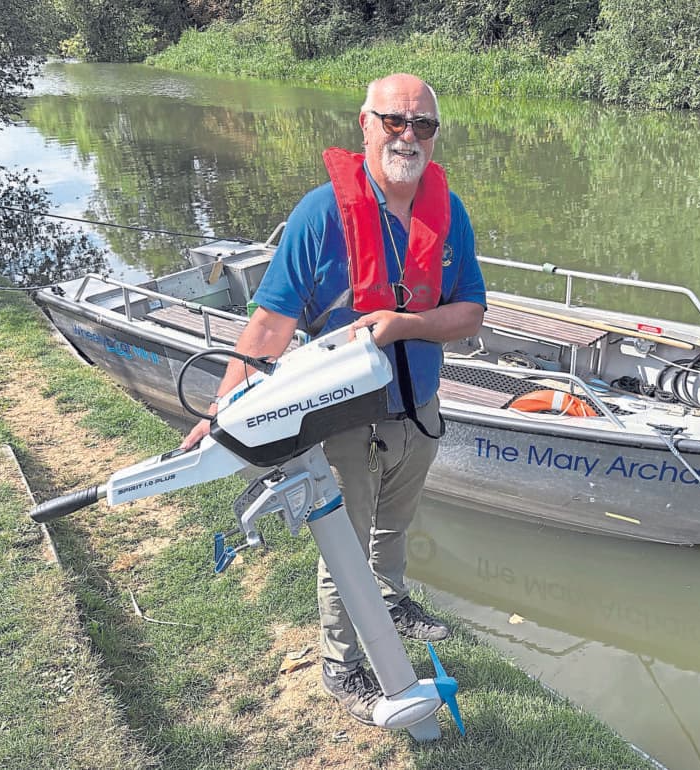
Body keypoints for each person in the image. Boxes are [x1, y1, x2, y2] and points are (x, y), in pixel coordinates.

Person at [180, 73, 486, 725]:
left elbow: (470, 314)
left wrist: (408, 324)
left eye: (423, 125)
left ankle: (392, 601)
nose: (408, 136)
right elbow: (268, 326)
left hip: (420, 414)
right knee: (343, 542)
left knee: (393, 528)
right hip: (347, 423)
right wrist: (220, 412)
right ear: (365, 124)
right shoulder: (322, 214)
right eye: (394, 121)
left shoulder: (447, 210)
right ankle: (342, 667)